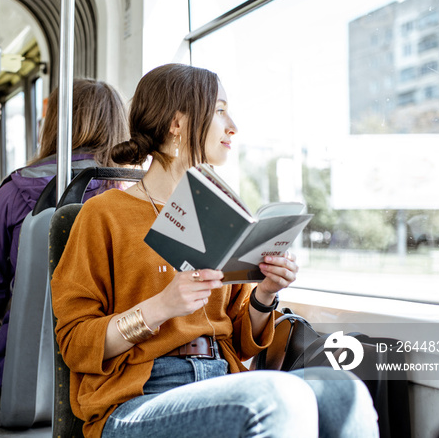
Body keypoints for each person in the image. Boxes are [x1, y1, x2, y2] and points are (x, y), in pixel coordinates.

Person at [51, 63, 380, 438]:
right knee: (276, 397)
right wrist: (162, 307)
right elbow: (75, 344)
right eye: (220, 110)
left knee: (345, 390)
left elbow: (241, 343)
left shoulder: (217, 215)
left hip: (220, 377)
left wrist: (265, 294)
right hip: (138, 397)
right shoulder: (104, 214)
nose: (232, 126)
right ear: (178, 123)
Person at [0, 78, 129, 387]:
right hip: (113, 372)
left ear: (54, 124)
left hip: (29, 371)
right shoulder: (133, 196)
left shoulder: (17, 190)